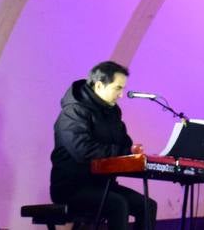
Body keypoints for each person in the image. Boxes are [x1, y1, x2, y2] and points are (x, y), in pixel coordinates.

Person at [49, 60, 157, 230]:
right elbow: (83, 151)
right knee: (118, 204)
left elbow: (124, 143)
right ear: (99, 86)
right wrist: (122, 152)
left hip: (104, 186)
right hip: (71, 188)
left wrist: (131, 151)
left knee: (147, 205)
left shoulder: (112, 112)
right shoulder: (73, 111)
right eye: (118, 88)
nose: (121, 94)